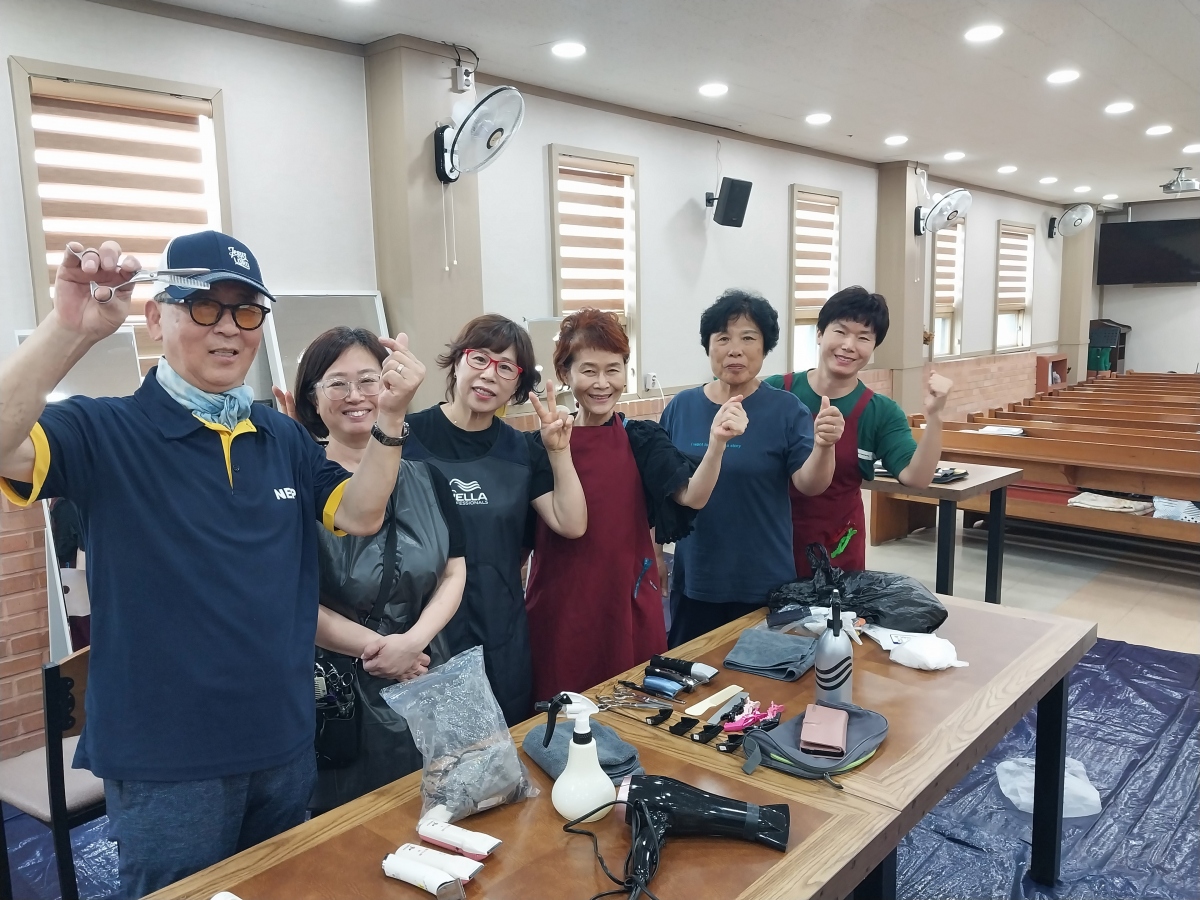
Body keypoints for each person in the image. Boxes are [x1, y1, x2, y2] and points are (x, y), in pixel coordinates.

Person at [0, 231, 418, 899]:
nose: (228, 328)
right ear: (155, 317)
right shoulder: (106, 431)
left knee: (280, 890)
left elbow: (361, 513)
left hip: (282, 740)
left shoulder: (280, 435)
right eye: (204, 306)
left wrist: (391, 417)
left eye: (246, 311)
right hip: (168, 765)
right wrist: (69, 329)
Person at [279, 327, 467, 812]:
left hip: (425, 669)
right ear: (312, 398)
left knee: (441, 806)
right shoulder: (295, 489)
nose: (356, 395)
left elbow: (454, 572)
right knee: (349, 825)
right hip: (335, 689)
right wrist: (381, 651)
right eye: (337, 383)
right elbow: (289, 596)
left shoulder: (428, 477)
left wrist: (413, 643)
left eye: (369, 379)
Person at [523, 309, 746, 699]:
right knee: (561, 713)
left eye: (613, 370)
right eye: (589, 371)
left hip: (627, 600)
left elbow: (692, 495)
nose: (602, 383)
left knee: (632, 705)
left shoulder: (641, 438)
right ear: (565, 374)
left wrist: (717, 445)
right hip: (562, 604)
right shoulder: (540, 445)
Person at [403, 314, 586, 724]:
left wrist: (558, 451)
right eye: (480, 358)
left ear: (517, 385)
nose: (489, 374)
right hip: (424, 635)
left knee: (506, 743)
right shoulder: (406, 438)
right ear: (457, 362)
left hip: (501, 630)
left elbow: (571, 523)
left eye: (506, 368)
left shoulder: (520, 450)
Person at [659, 289, 845, 647]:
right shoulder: (681, 407)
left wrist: (825, 446)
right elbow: (658, 493)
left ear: (765, 347)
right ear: (708, 346)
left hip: (763, 580)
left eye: (748, 338)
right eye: (723, 338)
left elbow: (810, 484)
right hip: (696, 576)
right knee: (691, 674)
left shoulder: (786, 410)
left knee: (762, 676)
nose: (735, 350)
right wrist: (655, 555)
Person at [764, 286, 952, 576]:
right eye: (840, 331)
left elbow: (917, 478)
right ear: (819, 334)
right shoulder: (776, 391)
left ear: (874, 348)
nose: (849, 345)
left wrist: (936, 416)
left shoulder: (880, 412)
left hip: (836, 549)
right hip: (767, 542)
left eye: (864, 337)